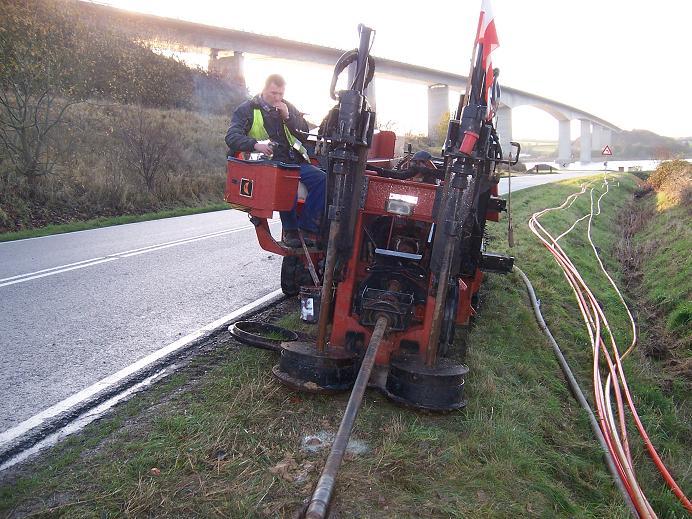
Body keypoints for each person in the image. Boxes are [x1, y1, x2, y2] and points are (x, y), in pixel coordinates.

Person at [225, 74, 326, 248]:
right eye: (273, 93)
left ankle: (308, 229)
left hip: (294, 161)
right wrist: (255, 145)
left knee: (323, 180)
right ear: (264, 89)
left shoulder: (288, 107)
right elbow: (232, 137)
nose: (278, 98)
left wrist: (288, 117)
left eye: (280, 93)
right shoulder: (247, 110)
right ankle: (291, 231)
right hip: (267, 165)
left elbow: (304, 133)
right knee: (287, 185)